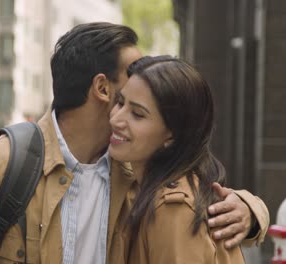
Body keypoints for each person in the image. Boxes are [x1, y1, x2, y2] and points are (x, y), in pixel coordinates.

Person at [0, 23, 268, 264]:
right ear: (102, 88)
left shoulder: (137, 172)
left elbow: (193, 199)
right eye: (133, 71)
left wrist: (251, 211)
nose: (145, 76)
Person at [108, 55, 262, 263]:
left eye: (137, 114)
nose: (116, 118)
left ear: (171, 134)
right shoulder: (147, 186)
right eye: (120, 102)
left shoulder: (173, 209)